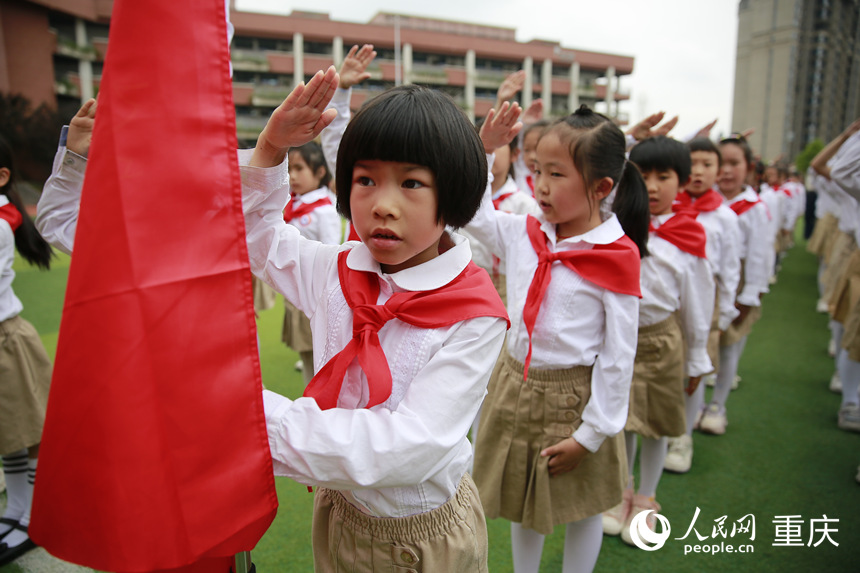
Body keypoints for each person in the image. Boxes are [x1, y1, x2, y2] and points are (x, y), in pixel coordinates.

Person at [246, 71, 512, 571]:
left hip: (419, 536)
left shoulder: (475, 316)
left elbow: (409, 447)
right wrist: (269, 148)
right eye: (366, 180)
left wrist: (257, 419)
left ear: (452, 194)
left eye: (411, 183)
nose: (383, 205)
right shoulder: (340, 269)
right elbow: (259, 240)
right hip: (342, 506)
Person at [468, 105, 649, 573]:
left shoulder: (616, 256)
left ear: (601, 187)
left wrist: (592, 434)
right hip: (514, 384)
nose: (541, 185)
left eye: (557, 174)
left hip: (575, 398)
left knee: (581, 503)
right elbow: (472, 211)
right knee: (519, 498)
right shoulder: (525, 231)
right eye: (537, 171)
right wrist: (486, 149)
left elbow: (617, 356)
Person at [601, 136, 714, 544]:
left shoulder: (689, 236)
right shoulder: (619, 223)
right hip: (621, 338)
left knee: (657, 425)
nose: (651, 185)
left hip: (664, 340)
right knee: (623, 421)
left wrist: (698, 357)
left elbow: (698, 302)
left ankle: (647, 497)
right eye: (642, 174)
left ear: (681, 182)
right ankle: (621, 490)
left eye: (662, 176)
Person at [664, 137, 741, 473]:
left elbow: (730, 269)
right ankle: (661, 428)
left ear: (718, 170)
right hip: (667, 305)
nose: (699, 171)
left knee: (694, 371)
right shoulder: (666, 210)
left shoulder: (724, 218)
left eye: (707, 165)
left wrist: (722, 316)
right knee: (663, 369)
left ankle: (683, 436)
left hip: (704, 306)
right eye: (692, 164)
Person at [0, 134, 54, 566]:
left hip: (7, 341)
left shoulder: (1, 223)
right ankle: (16, 510)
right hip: (5, 340)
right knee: (10, 436)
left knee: (25, 431)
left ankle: (31, 516)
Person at [698, 135, 770, 434]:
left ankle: (718, 406)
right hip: (705, 282)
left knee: (728, 349)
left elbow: (759, 254)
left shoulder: (754, 208)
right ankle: (697, 404)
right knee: (701, 347)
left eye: (734, 163)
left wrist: (748, 295)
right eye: (721, 163)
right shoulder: (702, 203)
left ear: (749, 167)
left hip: (737, 285)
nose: (727, 171)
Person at [811, 118, 860, 433]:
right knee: (847, 325)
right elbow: (827, 167)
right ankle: (851, 399)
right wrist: (848, 135)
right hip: (850, 243)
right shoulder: (850, 181)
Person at [282, 141, 342, 384]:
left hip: (315, 291)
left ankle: (316, 406)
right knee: (305, 347)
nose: (292, 176)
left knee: (320, 354)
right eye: (289, 169)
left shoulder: (324, 211)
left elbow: (331, 254)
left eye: (299, 168)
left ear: (319, 172)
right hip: (294, 287)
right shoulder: (293, 203)